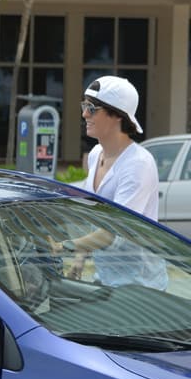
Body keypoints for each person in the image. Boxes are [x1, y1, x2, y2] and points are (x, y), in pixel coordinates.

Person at [50, 76, 165, 289]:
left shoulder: (138, 164)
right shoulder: (96, 154)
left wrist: (65, 247)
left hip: (140, 287)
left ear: (117, 115)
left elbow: (114, 231)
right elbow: (97, 218)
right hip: (107, 280)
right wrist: (79, 260)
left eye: (92, 108)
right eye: (84, 106)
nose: (84, 114)